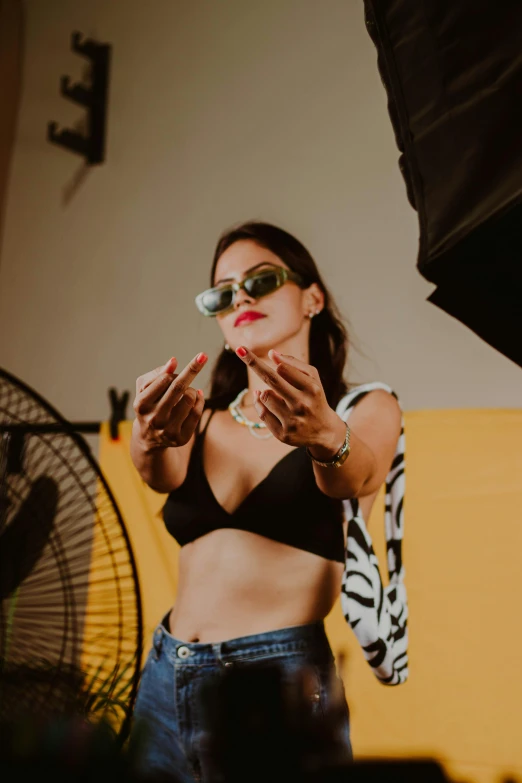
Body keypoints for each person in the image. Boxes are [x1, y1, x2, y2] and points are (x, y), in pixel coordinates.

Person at [128, 221, 402, 782]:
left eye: (261, 279)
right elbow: (157, 474)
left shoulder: (364, 409)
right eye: (223, 292)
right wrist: (147, 434)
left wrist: (327, 436)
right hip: (163, 671)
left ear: (312, 298)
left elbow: (358, 474)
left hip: (278, 681)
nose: (241, 298)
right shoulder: (198, 417)